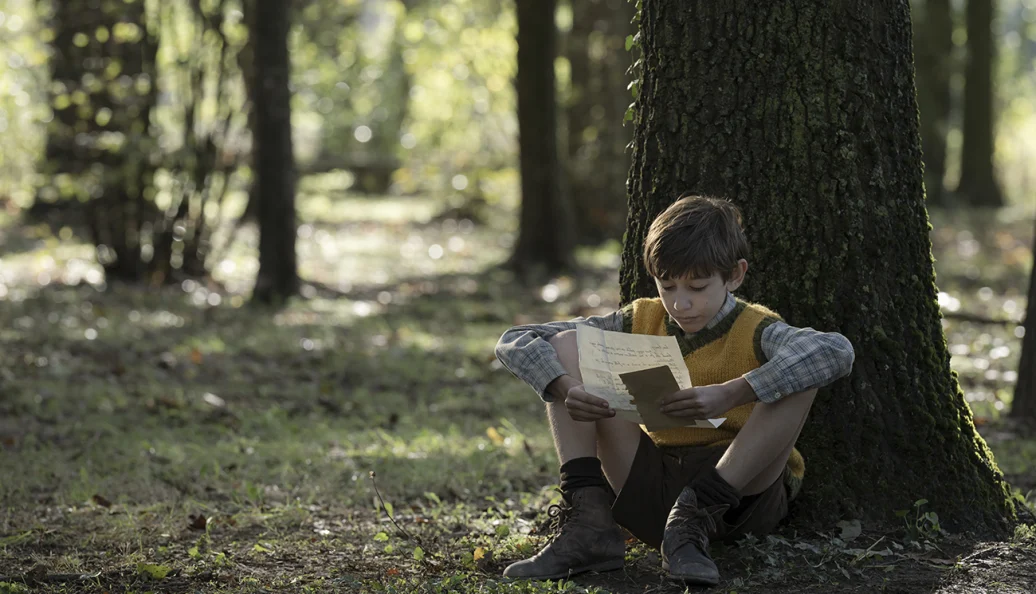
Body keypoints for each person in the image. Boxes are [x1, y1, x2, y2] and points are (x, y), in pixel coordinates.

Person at [494, 194, 855, 585]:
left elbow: (834, 350)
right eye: (668, 286)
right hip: (652, 484)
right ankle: (588, 523)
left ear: (735, 275)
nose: (681, 304)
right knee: (568, 343)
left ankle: (692, 518)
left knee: (800, 376)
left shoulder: (757, 327)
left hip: (736, 497)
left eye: (697, 287)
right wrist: (566, 389)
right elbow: (517, 339)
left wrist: (733, 393)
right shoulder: (640, 318)